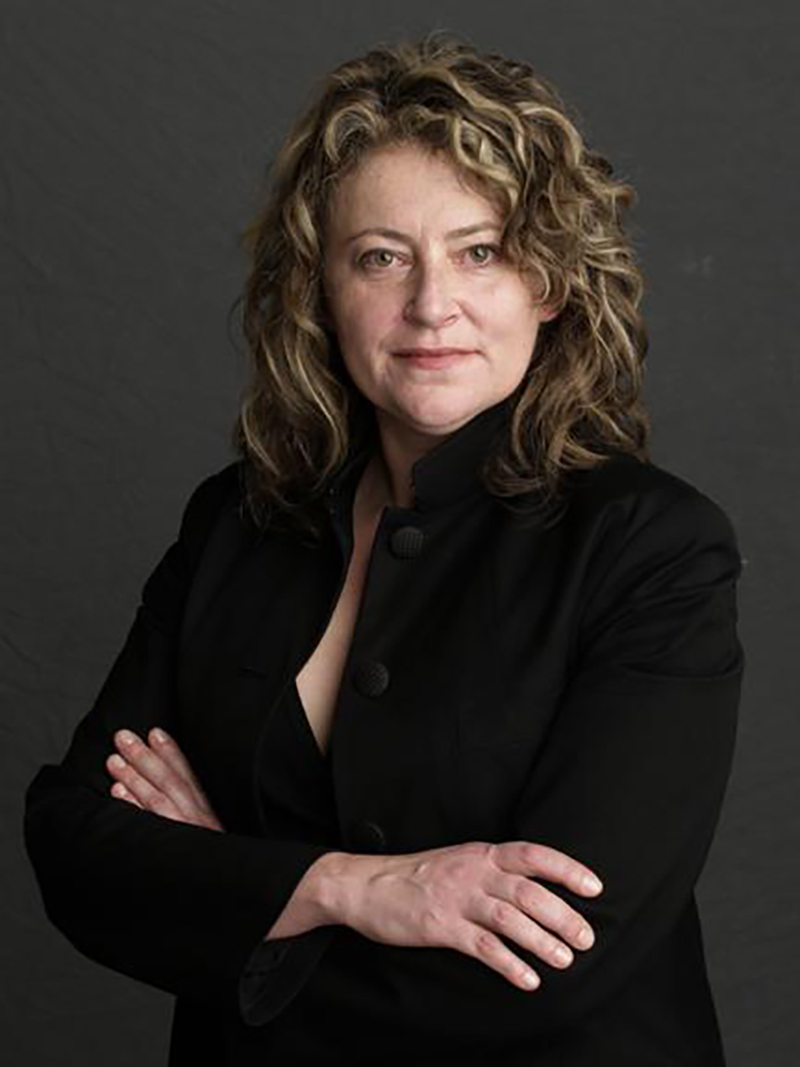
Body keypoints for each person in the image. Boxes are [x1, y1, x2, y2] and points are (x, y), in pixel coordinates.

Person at [23, 31, 744, 1067]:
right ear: (321, 288)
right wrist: (347, 887)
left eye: (480, 250)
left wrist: (232, 880)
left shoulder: (652, 546)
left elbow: (550, 964)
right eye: (379, 256)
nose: (428, 305)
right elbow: (73, 845)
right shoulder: (237, 521)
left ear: (549, 284)